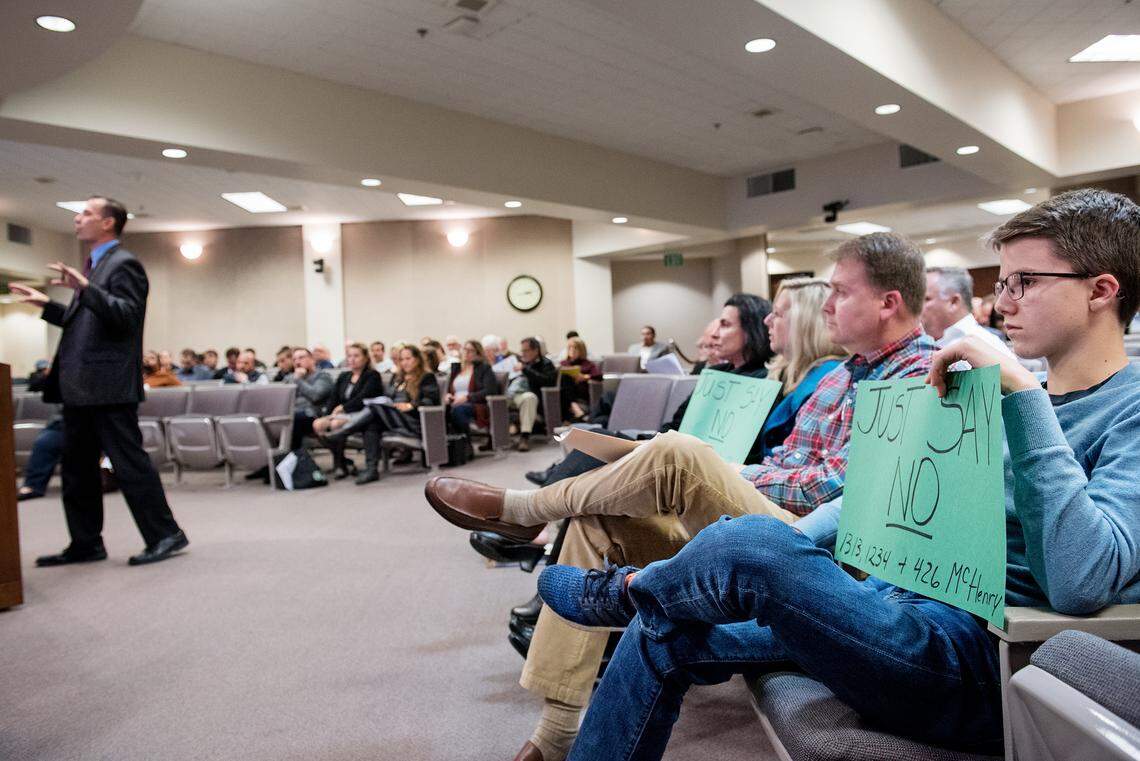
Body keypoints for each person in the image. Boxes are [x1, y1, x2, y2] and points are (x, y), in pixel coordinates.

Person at [545, 187, 1140, 761]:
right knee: (666, 630)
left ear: (1101, 290)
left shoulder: (1112, 408)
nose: (1003, 302)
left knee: (749, 547)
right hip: (901, 604)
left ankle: (631, 591)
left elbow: (1080, 579)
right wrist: (781, 556)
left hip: (985, 657)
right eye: (1003, 281)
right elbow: (876, 499)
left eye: (1025, 282)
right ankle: (644, 603)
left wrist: (1022, 398)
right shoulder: (1014, 393)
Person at [423, 233, 936, 761]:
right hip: (771, 526)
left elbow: (840, 492)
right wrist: (735, 475)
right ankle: (555, 732)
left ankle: (523, 513)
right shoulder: (846, 374)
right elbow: (789, 466)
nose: (826, 305)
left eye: (840, 292)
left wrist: (727, 475)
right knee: (597, 518)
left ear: (888, 302)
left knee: (678, 455)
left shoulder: (922, 377)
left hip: (828, 562)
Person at [8, 195, 188, 567]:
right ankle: (86, 542)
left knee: (128, 463)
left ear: (109, 223)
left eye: (86, 213)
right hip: (80, 388)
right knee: (76, 468)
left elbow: (126, 317)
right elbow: (86, 324)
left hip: (107, 386)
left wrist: (85, 290)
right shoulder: (93, 267)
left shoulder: (124, 264)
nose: (77, 218)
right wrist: (48, 305)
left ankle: (165, 534)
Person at [757, 277, 847, 459]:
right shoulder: (785, 374)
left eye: (777, 314)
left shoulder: (827, 379)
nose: (767, 320)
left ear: (804, 323)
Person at [329, 344, 442, 484]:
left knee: (374, 409)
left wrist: (411, 405)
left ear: (417, 359)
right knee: (372, 423)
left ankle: (344, 432)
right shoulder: (398, 377)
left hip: (414, 420)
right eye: (402, 359)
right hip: (392, 416)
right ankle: (372, 469)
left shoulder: (427, 377)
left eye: (408, 358)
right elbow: (387, 396)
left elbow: (430, 400)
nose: (405, 362)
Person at [312, 342, 383, 479]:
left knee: (334, 425)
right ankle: (343, 461)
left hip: (362, 413)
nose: (352, 359)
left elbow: (364, 398)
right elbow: (334, 398)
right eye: (349, 356)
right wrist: (328, 415)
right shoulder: (344, 376)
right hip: (341, 414)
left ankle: (340, 465)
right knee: (317, 424)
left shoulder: (372, 375)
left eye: (356, 356)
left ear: (365, 358)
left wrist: (344, 408)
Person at [922, 267, 1014, 355]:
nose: (915, 305)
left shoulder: (988, 345)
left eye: (926, 299)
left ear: (953, 302)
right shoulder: (918, 343)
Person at [508, 337, 558, 452]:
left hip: (528, 396)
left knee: (529, 398)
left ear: (535, 350)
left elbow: (547, 381)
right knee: (495, 399)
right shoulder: (519, 362)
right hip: (511, 394)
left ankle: (524, 437)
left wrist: (525, 369)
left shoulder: (546, 364)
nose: (523, 354)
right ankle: (495, 440)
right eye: (522, 351)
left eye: (526, 351)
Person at [447, 339, 502, 433]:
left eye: (471, 350)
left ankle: (465, 442)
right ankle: (448, 444)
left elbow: (490, 390)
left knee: (458, 410)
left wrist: (467, 397)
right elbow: (449, 388)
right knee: (439, 410)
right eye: (465, 349)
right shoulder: (456, 368)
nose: (466, 352)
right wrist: (447, 395)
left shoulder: (483, 368)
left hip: (475, 403)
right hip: (454, 401)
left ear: (478, 353)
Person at [286, 347, 335, 450]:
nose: (297, 362)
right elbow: (283, 398)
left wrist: (298, 380)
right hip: (292, 413)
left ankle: (295, 458)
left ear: (312, 359)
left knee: (293, 421)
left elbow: (315, 396)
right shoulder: (289, 378)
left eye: (301, 358)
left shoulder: (322, 376)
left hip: (313, 414)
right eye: (294, 359)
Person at [558, 337, 601, 422]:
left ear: (581, 350)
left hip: (580, 395)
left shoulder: (588, 364)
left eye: (575, 348)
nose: (572, 350)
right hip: (563, 395)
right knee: (565, 377)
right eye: (570, 347)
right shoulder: (563, 364)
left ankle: (574, 409)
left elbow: (599, 375)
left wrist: (584, 377)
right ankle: (574, 406)